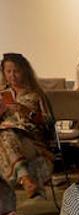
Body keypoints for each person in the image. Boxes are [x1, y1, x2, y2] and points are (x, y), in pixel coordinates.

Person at [0, 53, 54, 198]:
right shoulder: (1, 94)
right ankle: (26, 179)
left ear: (24, 71)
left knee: (7, 135)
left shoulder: (36, 94)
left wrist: (27, 112)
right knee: (5, 134)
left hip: (30, 140)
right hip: (6, 138)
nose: (12, 75)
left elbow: (49, 123)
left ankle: (24, 179)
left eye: (16, 71)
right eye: (8, 71)